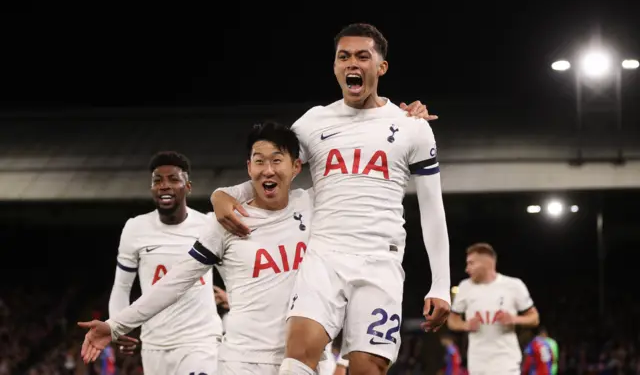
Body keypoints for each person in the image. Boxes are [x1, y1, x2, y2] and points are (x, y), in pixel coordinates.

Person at [212, 22, 451, 375]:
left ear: (381, 67)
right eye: (344, 57)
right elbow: (274, 168)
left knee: (367, 369)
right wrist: (225, 194)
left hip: (379, 263)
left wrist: (441, 284)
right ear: (336, 67)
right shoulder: (312, 123)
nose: (352, 63)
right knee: (296, 358)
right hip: (324, 257)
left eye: (362, 56)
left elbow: (432, 209)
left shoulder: (411, 127)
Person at [79, 123, 325, 374]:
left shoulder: (316, 205)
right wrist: (115, 325)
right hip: (244, 362)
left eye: (277, 160)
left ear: (296, 166)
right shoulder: (227, 222)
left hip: (308, 358)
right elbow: (174, 281)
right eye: (259, 161)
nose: (268, 170)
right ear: (249, 167)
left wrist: (222, 192)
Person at [82, 151, 223, 374]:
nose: (164, 185)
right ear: (151, 188)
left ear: (188, 187)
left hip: (201, 341)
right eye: (158, 180)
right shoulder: (135, 228)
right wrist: (118, 328)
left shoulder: (208, 225)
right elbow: (122, 286)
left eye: (173, 179)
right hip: (154, 346)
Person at [447, 243, 540, 375]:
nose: (467, 269)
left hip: (506, 363)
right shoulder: (464, 287)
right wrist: (466, 325)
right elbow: (452, 321)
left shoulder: (514, 285)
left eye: (471, 263)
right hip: (477, 364)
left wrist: (513, 319)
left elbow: (534, 318)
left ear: (487, 263)